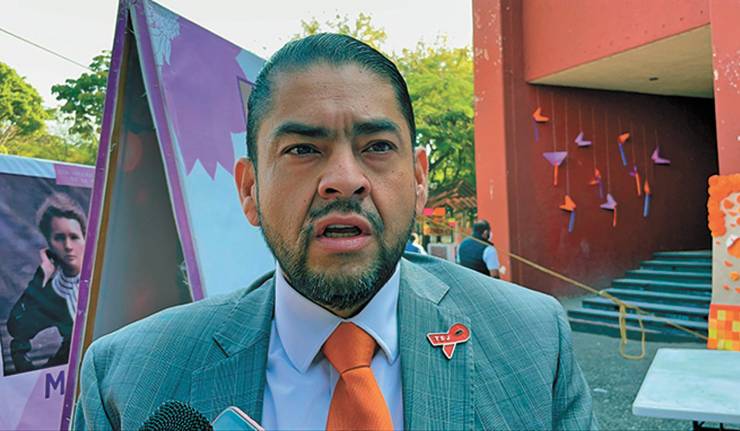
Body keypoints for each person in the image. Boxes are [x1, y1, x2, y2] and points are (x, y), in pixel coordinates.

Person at [74, 34, 596, 430]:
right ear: (250, 190)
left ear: (419, 180)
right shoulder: (127, 379)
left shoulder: (532, 341)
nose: (345, 179)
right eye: (303, 149)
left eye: (377, 147)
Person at [7, 193, 86, 373]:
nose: (68, 246)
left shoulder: (101, 280)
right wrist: (40, 276)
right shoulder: (52, 292)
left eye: (74, 237)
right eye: (59, 238)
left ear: (84, 238)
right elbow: (16, 331)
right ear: (49, 243)